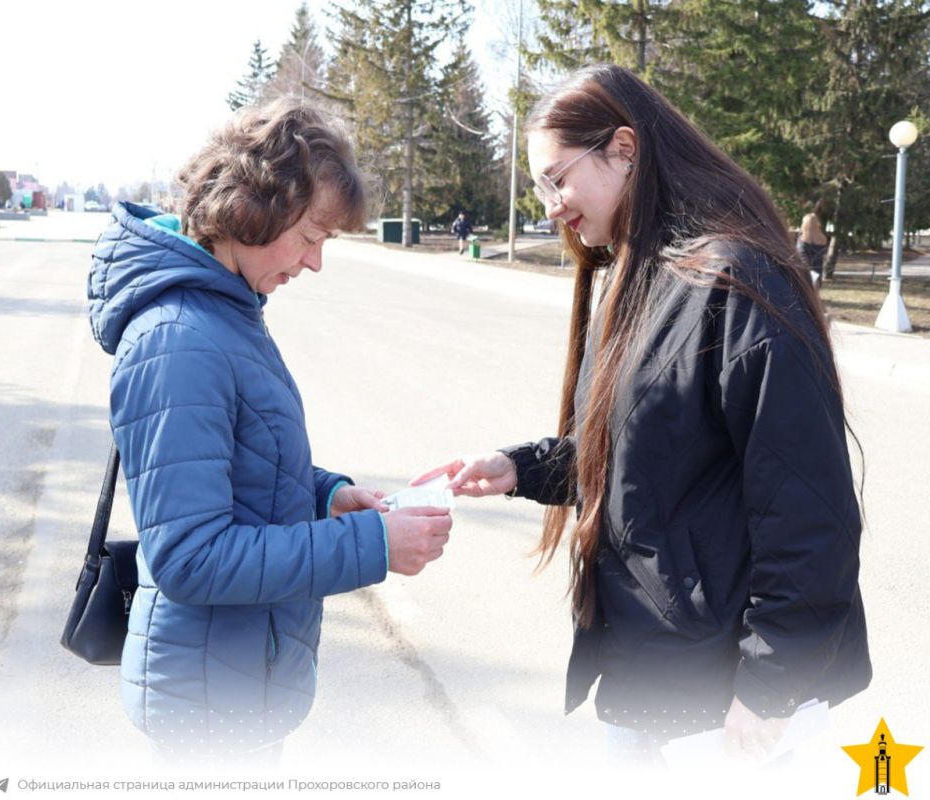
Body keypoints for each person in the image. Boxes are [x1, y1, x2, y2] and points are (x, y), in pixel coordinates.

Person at [414, 64, 870, 763]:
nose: (550, 206)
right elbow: (634, 452)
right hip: (648, 677)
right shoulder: (636, 277)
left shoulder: (735, 282)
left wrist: (771, 683)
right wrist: (519, 468)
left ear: (624, 150)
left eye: (557, 178)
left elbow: (810, 512)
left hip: (725, 703)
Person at [87, 98, 453, 764]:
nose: (314, 263)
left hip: (233, 685)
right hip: (207, 711)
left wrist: (329, 497)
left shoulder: (228, 313)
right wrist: (370, 544)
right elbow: (192, 556)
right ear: (254, 205)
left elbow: (241, 466)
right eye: (312, 235)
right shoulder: (179, 340)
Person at [796, 211, 828, 287]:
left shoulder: (802, 240)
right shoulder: (823, 239)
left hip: (805, 274)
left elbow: (803, 259)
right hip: (817, 272)